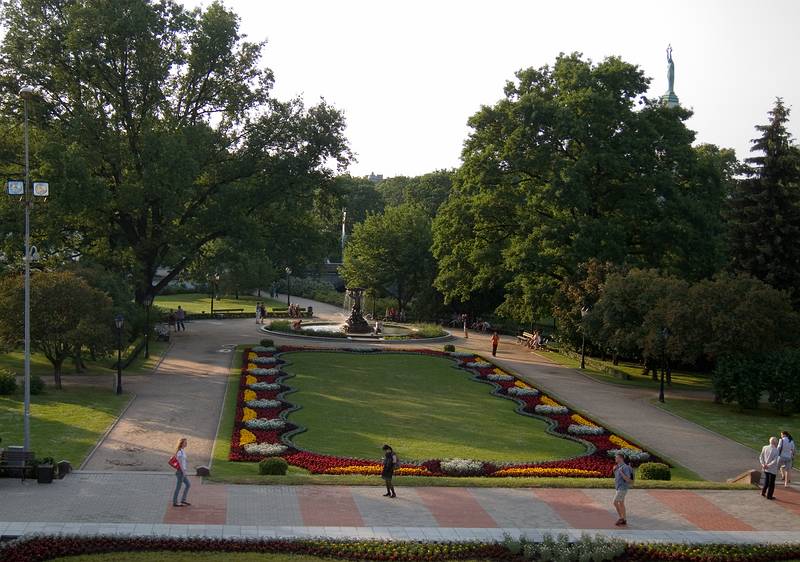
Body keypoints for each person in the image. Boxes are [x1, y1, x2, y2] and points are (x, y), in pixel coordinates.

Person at [612, 453, 633, 526]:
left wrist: (621, 472)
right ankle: (624, 519)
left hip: (622, 488)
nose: (615, 459)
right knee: (621, 503)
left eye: (616, 458)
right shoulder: (617, 467)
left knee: (615, 502)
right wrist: (615, 470)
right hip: (618, 488)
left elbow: (628, 479)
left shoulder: (625, 467)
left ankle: (621, 518)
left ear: (621, 458)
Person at [172, 438, 191, 507]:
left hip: (183, 471)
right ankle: (175, 502)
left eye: (186, 442)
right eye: (185, 443)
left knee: (188, 485)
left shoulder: (183, 451)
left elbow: (183, 461)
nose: (186, 444)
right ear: (181, 444)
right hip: (180, 472)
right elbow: (179, 463)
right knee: (178, 487)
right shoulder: (179, 452)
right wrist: (183, 471)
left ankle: (183, 500)